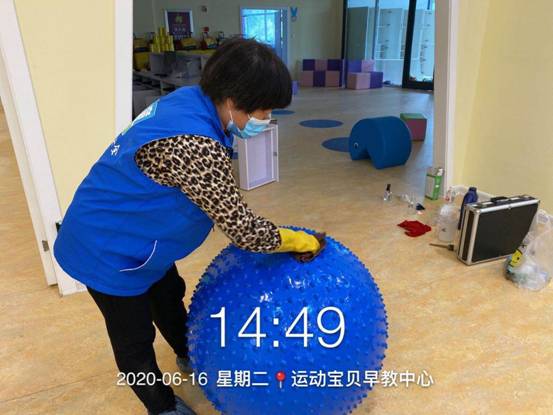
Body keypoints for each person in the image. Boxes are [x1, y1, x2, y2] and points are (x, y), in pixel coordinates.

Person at [53, 37, 325, 415]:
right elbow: (243, 229)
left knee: (167, 296)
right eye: (263, 109)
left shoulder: (193, 100)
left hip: (139, 236)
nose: (266, 118)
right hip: (105, 247)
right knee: (133, 339)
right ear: (233, 99)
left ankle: (188, 354)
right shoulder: (195, 143)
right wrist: (297, 240)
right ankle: (162, 406)